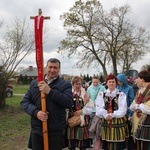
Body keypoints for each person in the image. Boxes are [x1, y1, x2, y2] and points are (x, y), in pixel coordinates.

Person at [20, 58, 74, 150]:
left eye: (55, 68)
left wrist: (49, 91)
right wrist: (36, 112)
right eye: (50, 67)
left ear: (59, 69)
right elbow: (24, 102)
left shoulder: (65, 84)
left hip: (55, 130)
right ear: (46, 68)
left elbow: (68, 102)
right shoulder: (35, 83)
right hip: (37, 129)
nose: (52, 70)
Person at [96, 74, 128, 150]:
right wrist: (105, 115)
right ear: (106, 83)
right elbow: (98, 108)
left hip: (118, 122)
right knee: (107, 145)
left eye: (113, 82)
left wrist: (112, 115)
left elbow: (123, 110)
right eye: (109, 82)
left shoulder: (121, 95)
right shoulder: (101, 94)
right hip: (106, 122)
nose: (111, 83)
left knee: (118, 145)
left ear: (116, 83)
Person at [67, 76, 92, 150]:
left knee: (82, 145)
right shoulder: (69, 94)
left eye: (79, 84)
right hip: (72, 120)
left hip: (83, 121)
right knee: (72, 144)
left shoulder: (85, 94)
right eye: (76, 84)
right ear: (73, 84)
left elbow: (90, 109)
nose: (78, 86)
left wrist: (81, 111)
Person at [130, 70, 150, 150]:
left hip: (147, 121)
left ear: (142, 79)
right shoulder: (140, 91)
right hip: (139, 122)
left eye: (138, 78)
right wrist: (136, 107)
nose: (137, 80)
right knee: (139, 144)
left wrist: (138, 106)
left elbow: (148, 108)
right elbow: (132, 105)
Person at [117, 73, 135, 150]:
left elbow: (131, 101)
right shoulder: (118, 88)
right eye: (118, 81)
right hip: (119, 112)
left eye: (120, 81)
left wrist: (130, 113)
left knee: (128, 130)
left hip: (127, 112)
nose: (119, 83)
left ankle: (129, 146)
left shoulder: (129, 88)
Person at [87, 76, 106, 150]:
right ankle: (93, 142)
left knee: (99, 127)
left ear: (99, 82)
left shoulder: (102, 88)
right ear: (91, 81)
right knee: (92, 127)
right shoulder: (89, 88)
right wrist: (92, 102)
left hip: (99, 110)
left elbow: (105, 97)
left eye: (96, 82)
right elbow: (88, 98)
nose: (95, 83)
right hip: (92, 110)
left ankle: (99, 141)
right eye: (94, 82)